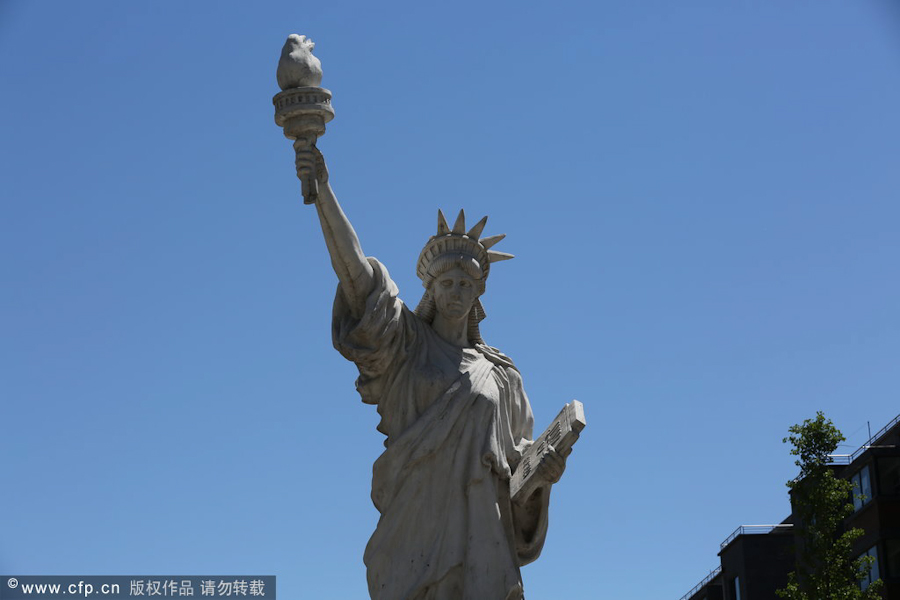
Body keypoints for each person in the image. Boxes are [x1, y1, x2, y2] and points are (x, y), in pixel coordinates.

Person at [295, 147, 569, 600]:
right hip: (413, 531)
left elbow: (518, 473)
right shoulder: (405, 345)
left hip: (483, 541)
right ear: (431, 287)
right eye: (446, 283)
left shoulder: (502, 376)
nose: (456, 293)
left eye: (466, 284)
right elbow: (357, 276)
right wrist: (323, 192)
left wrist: (543, 476)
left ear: (480, 289)